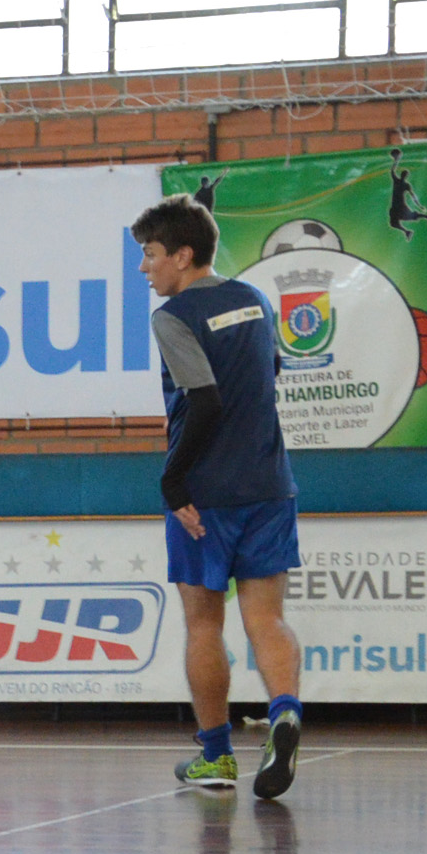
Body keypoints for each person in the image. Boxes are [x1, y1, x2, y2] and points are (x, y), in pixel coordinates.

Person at [134, 194, 305, 799]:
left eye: (150, 254)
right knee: (268, 618)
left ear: (182, 256)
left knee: (204, 623)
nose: (144, 267)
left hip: (204, 496)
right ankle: (285, 713)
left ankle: (217, 758)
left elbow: (204, 400)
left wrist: (173, 478)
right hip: (269, 483)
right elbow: (269, 373)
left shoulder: (173, 316)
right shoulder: (254, 298)